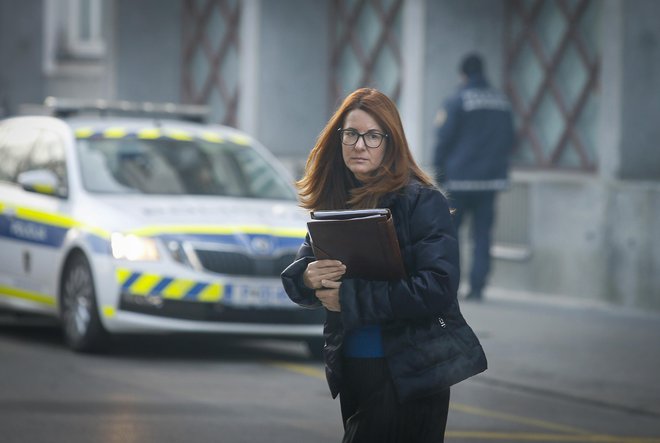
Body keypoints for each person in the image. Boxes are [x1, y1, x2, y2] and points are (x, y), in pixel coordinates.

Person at [281, 88, 487, 442]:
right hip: (356, 368)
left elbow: (437, 288)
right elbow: (301, 274)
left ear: (391, 142)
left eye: (373, 135)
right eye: (351, 134)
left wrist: (350, 298)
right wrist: (306, 277)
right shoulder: (337, 203)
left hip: (413, 372)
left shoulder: (423, 202)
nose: (360, 145)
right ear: (338, 139)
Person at [433, 52, 515, 302]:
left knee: (451, 236)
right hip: (490, 181)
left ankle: (450, 287)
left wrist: (438, 173)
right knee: (482, 235)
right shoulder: (502, 102)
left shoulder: (457, 100)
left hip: (458, 181)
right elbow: (512, 138)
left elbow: (443, 139)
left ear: (463, 75)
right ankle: (478, 287)